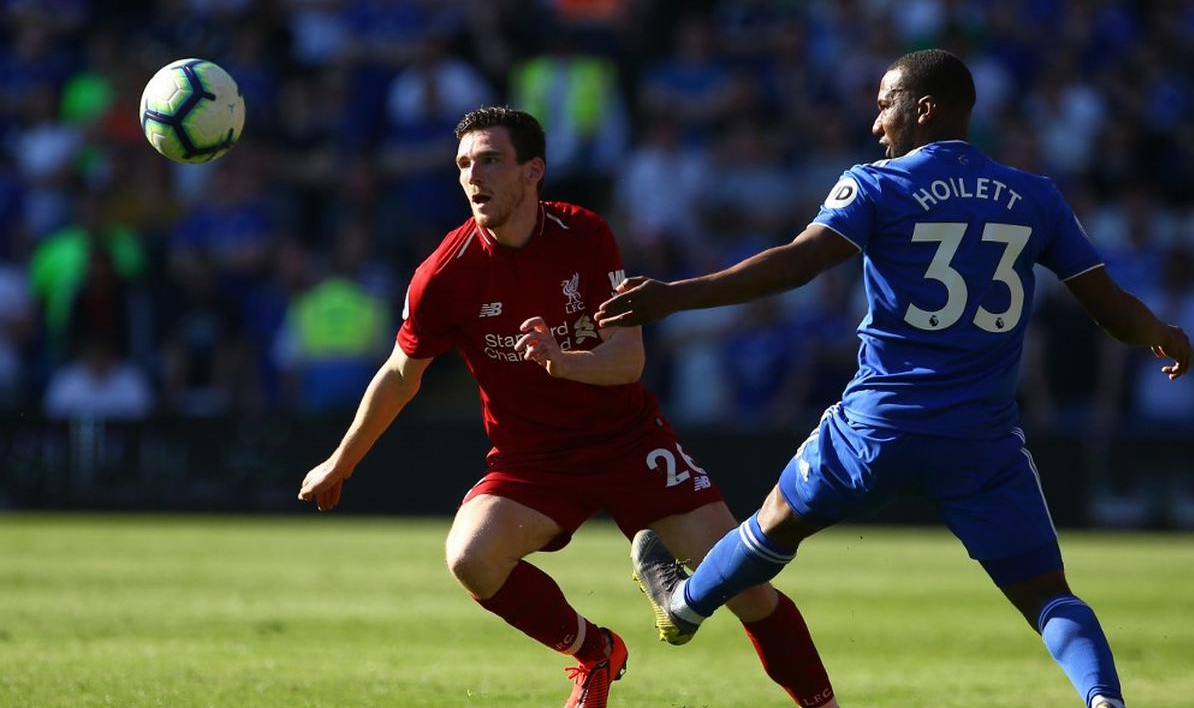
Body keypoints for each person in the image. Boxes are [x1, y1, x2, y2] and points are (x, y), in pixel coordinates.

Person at [596, 50, 1193, 708]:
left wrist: (676, 296)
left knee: (771, 525)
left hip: (877, 427)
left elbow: (797, 265)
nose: (877, 121)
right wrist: (1159, 333)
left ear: (924, 108)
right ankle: (1103, 700)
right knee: (1047, 595)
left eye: (885, 103)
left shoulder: (876, 185)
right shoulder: (1035, 196)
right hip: (981, 441)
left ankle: (682, 607)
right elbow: (1107, 308)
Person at [297, 106, 836, 708]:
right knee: (470, 559)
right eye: (464, 165)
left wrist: (562, 361)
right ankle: (594, 652)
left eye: (491, 161)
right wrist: (341, 461)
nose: (474, 177)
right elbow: (400, 376)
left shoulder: (585, 236)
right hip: (534, 460)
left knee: (749, 591)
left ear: (534, 172)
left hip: (630, 442)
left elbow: (629, 362)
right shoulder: (444, 274)